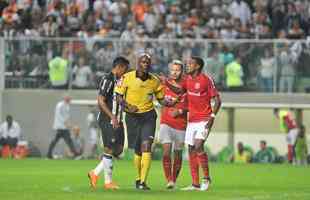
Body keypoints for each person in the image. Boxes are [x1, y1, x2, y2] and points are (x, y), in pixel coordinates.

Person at [114, 53, 174, 190]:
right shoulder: (127, 77)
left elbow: (161, 99)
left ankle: (142, 182)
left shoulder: (154, 80)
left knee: (146, 146)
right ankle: (138, 177)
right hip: (132, 117)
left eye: (147, 62)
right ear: (137, 63)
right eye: (143, 62)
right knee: (137, 149)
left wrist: (170, 103)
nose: (145, 64)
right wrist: (128, 106)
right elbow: (118, 96)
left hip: (148, 116)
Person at [166, 56, 221, 191]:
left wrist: (212, 117)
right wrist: (166, 82)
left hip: (204, 119)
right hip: (192, 121)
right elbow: (179, 90)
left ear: (197, 66)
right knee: (191, 149)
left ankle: (206, 178)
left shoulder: (206, 80)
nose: (187, 65)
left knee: (198, 145)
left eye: (190, 64)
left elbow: (218, 100)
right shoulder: (188, 80)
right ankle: (195, 184)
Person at [88, 56, 130, 190]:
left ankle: (94, 172)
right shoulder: (108, 79)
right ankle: (108, 182)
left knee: (118, 150)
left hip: (118, 118)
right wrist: (112, 116)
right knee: (110, 149)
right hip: (108, 118)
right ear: (119, 67)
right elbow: (100, 100)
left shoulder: (120, 81)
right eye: (125, 69)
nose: (126, 72)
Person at [159, 60, 187, 189]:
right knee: (166, 152)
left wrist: (180, 110)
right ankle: (169, 180)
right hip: (166, 122)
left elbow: (192, 104)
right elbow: (159, 98)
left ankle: (174, 180)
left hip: (181, 124)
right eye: (173, 70)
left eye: (177, 70)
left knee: (177, 154)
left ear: (182, 71)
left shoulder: (186, 84)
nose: (175, 72)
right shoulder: (163, 84)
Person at [47, 95, 78, 159]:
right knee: (57, 141)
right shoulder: (60, 105)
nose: (70, 100)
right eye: (69, 99)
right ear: (65, 98)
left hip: (64, 127)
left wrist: (68, 123)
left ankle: (75, 154)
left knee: (67, 141)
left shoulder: (67, 106)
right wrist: (65, 122)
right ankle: (49, 155)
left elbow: (66, 116)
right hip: (59, 127)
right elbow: (58, 115)